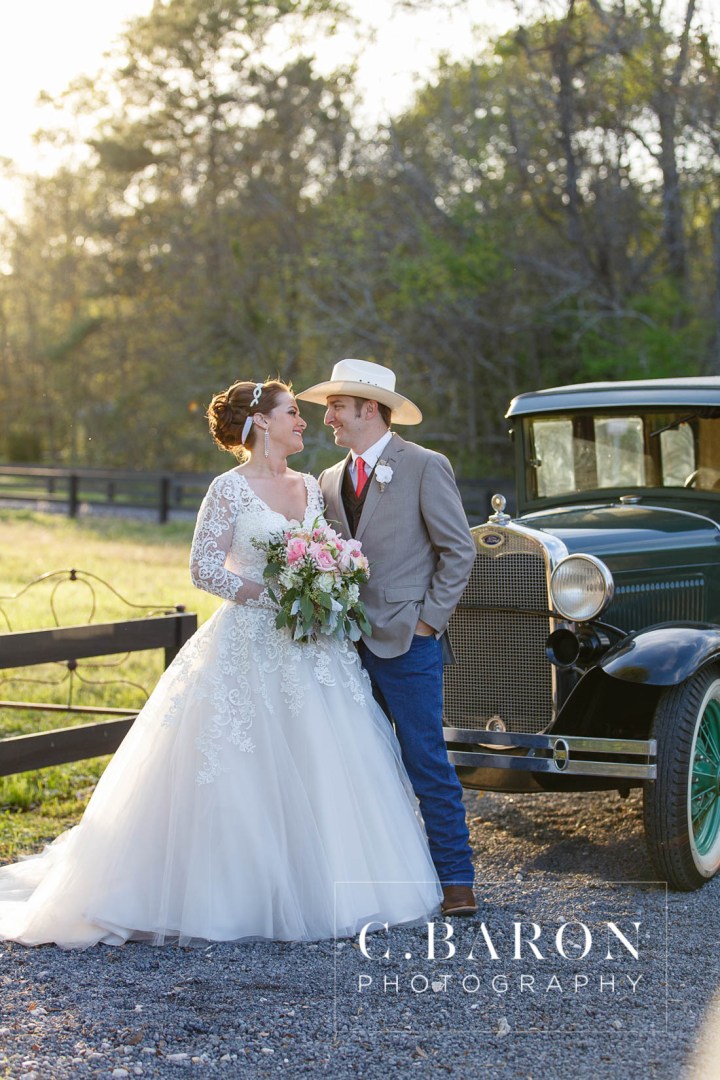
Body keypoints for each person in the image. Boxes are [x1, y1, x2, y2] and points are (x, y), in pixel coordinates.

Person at [0, 379, 441, 948]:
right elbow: (204, 568)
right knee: (238, 764)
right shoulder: (228, 489)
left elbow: (334, 552)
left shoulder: (313, 487)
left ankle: (326, 885)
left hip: (314, 649)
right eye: (292, 413)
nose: (303, 422)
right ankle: (233, 895)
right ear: (262, 423)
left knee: (326, 760)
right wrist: (273, 595)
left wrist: (326, 584)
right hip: (248, 642)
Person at [297, 359, 478, 916]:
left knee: (425, 759)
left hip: (409, 642)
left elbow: (458, 550)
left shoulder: (423, 465)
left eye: (336, 407)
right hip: (346, 646)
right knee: (363, 763)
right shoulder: (329, 479)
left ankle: (457, 881)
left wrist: (428, 622)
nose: (328, 417)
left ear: (369, 409)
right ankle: (384, 880)